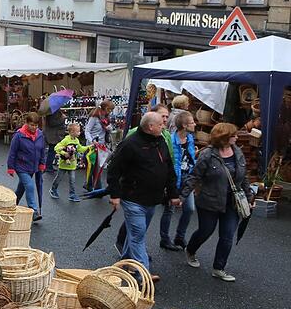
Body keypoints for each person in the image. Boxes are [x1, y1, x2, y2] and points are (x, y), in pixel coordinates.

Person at [106, 111, 181, 274]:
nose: (164, 126)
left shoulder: (161, 141)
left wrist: (173, 193)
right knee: (138, 236)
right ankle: (142, 274)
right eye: (160, 124)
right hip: (133, 198)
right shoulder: (130, 144)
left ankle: (125, 263)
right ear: (150, 126)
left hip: (152, 199)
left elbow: (168, 168)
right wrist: (115, 195)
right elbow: (113, 170)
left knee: (135, 234)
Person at [183, 123, 250, 282]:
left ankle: (219, 268)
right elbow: (195, 176)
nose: (237, 137)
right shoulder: (207, 154)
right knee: (205, 231)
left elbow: (244, 177)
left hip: (232, 202)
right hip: (209, 201)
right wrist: (182, 196)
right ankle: (190, 250)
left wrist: (249, 196)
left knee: (227, 235)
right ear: (224, 137)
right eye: (233, 135)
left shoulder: (238, 152)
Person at [160, 111, 197, 251]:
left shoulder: (190, 139)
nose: (195, 124)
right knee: (169, 209)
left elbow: (191, 158)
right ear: (184, 125)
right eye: (192, 122)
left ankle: (180, 236)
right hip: (175, 179)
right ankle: (164, 239)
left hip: (188, 179)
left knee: (189, 209)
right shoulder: (171, 140)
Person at [7, 112, 46, 219]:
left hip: (33, 166)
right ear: (27, 123)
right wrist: (10, 167)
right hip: (21, 166)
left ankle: (12, 205)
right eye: (32, 125)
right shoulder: (19, 136)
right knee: (29, 185)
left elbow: (42, 150)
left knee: (21, 188)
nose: (34, 127)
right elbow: (12, 152)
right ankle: (33, 211)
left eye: (36, 125)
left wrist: (42, 163)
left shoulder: (40, 135)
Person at [50, 123, 87, 202]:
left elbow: (80, 149)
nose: (79, 133)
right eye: (78, 131)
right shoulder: (66, 140)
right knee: (59, 178)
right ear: (72, 132)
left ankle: (72, 195)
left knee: (72, 181)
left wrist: (89, 147)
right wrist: (64, 153)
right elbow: (56, 148)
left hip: (72, 165)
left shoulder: (76, 140)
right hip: (63, 164)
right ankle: (53, 189)